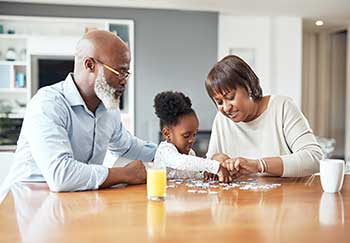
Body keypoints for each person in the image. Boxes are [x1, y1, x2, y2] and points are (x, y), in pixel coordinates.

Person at [5, 30, 157, 192]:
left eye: (126, 74)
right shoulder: (48, 104)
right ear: (89, 65)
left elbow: (127, 146)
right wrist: (125, 174)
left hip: (69, 200)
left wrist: (172, 152)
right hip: (25, 204)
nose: (124, 81)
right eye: (120, 72)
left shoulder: (108, 109)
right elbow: (61, 176)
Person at [205, 55, 323, 177]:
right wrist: (217, 160)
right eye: (219, 102)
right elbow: (207, 166)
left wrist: (259, 165)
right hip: (240, 196)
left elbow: (314, 158)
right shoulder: (221, 119)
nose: (226, 107)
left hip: (285, 194)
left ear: (248, 86)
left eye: (230, 98)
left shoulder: (282, 107)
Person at [153, 91, 232, 182]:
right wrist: (215, 167)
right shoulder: (164, 151)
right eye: (186, 135)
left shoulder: (190, 153)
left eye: (194, 134)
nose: (192, 140)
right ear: (167, 134)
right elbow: (181, 162)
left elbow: (193, 176)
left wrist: (205, 174)